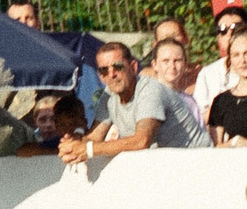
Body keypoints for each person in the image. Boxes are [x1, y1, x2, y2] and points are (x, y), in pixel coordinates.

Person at [62, 40, 209, 160]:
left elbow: (141, 141)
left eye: (118, 67)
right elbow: (95, 137)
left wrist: (87, 149)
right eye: (104, 70)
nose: (112, 74)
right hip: (168, 165)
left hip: (199, 161)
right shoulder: (109, 94)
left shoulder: (150, 90)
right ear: (100, 76)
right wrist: (73, 145)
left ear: (133, 67)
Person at [208, 30, 247, 147]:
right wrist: (234, 142)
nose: (242, 60)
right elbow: (215, 148)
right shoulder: (221, 101)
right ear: (230, 60)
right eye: (236, 55)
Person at [192, 4, 247, 117]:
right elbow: (199, 118)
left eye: (236, 27)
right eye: (223, 30)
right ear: (218, 38)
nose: (230, 33)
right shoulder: (208, 74)